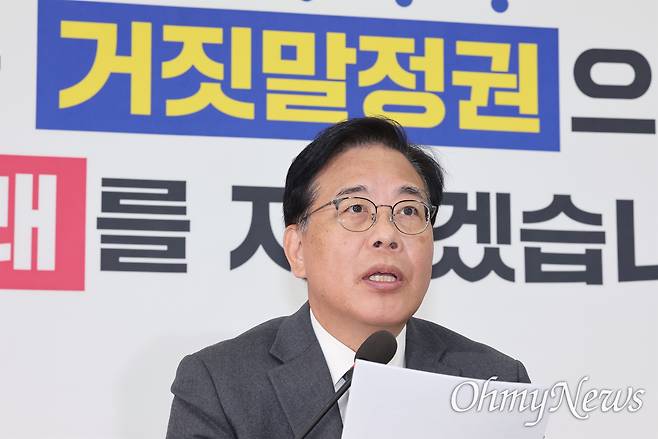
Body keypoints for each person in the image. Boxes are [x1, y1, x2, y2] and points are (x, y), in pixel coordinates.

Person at [165, 117, 530, 439]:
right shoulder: (221, 385)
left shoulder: (495, 383)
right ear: (297, 249)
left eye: (408, 210)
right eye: (356, 208)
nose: (386, 234)